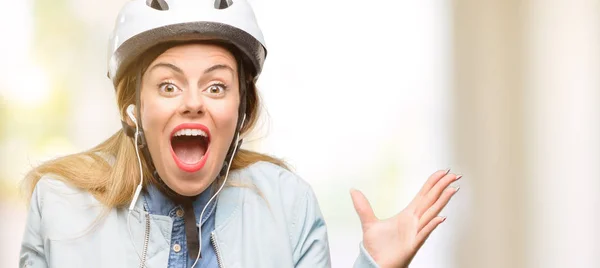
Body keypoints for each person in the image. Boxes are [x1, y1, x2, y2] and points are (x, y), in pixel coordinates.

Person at [19, 0, 460, 267]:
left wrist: (376, 267)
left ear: (242, 110)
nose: (193, 103)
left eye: (216, 86)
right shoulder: (59, 207)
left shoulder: (288, 205)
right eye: (168, 85)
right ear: (132, 108)